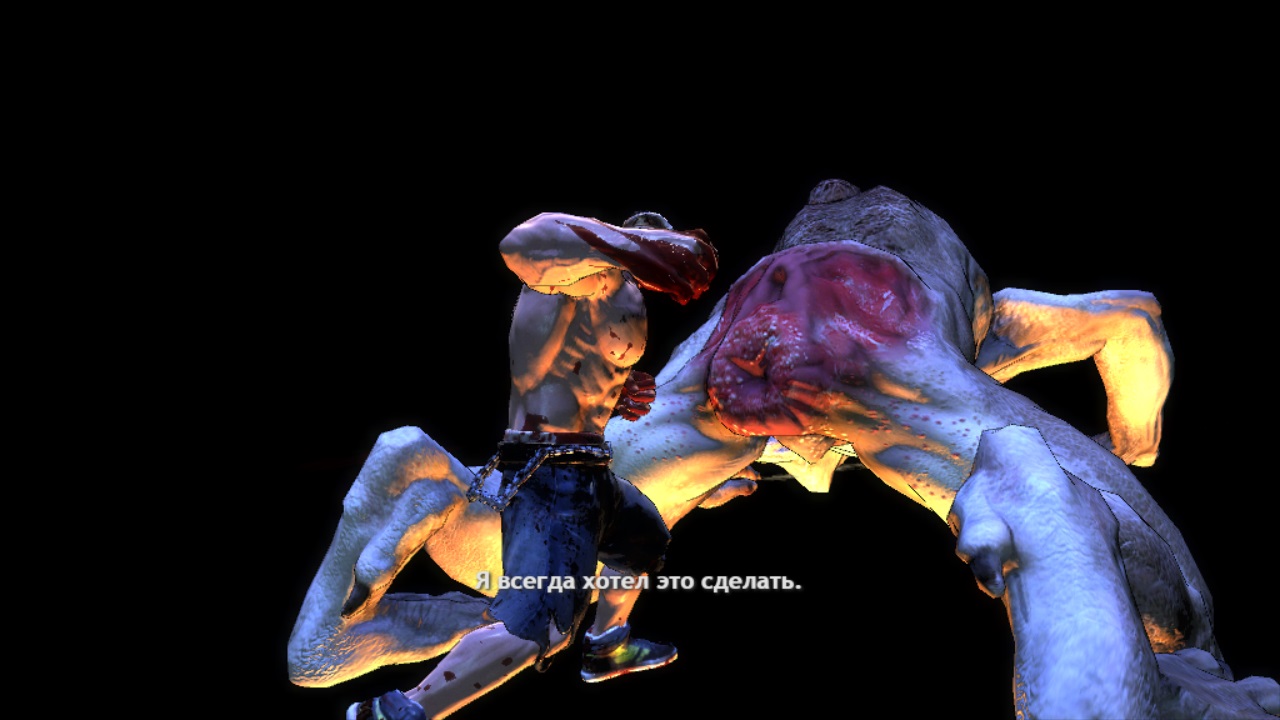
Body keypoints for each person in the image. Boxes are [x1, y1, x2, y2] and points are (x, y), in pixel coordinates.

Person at [347, 210, 718, 720]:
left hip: (591, 469)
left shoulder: (620, 297)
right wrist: (641, 245)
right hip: (550, 470)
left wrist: (617, 387)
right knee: (541, 625)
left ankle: (606, 646)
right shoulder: (570, 274)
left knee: (644, 541)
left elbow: (573, 372)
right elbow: (519, 241)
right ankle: (398, 711)